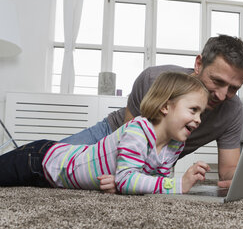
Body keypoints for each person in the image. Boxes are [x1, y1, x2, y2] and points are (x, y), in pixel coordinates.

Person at [61, 34, 243, 189]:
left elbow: (229, 168)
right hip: (113, 134)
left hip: (156, 159)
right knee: (47, 162)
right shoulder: (153, 79)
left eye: (233, 88)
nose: (222, 95)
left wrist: (241, 180)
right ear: (198, 64)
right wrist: (124, 180)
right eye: (217, 81)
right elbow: (133, 139)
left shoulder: (232, 109)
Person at [0, 72, 211, 194]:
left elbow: (149, 182)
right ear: (166, 106)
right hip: (41, 159)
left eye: (201, 113)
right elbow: (130, 179)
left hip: (50, 182)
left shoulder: (174, 146)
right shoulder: (138, 131)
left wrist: (121, 183)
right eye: (193, 110)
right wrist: (178, 185)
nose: (199, 120)